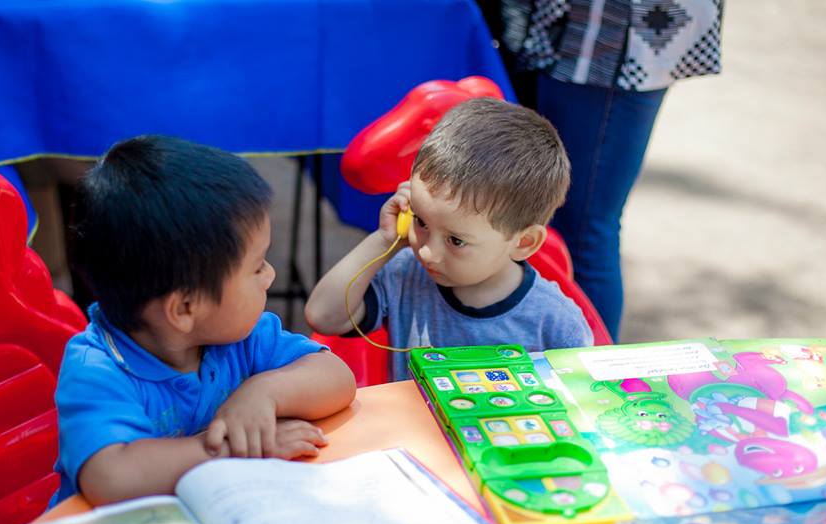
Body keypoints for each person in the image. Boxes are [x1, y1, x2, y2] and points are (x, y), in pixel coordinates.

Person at [53, 135, 356, 506]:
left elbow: (338, 377)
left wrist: (263, 394)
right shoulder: (97, 369)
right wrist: (230, 447)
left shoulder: (241, 336)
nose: (271, 275)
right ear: (184, 309)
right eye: (256, 266)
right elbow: (112, 476)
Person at [478, 0, 724, 339]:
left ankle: (596, 378)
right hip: (570, 31)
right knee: (555, 220)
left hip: (609, 37)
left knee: (582, 231)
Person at [305, 98, 592, 382]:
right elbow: (323, 316)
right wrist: (383, 239)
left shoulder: (555, 322)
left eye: (456, 240)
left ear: (524, 242)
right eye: (420, 221)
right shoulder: (405, 274)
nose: (428, 253)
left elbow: (580, 405)